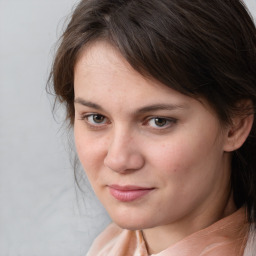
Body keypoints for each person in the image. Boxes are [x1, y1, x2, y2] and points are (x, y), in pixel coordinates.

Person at [49, 0, 256, 255]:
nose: (118, 159)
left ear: (236, 125)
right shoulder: (108, 247)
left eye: (159, 121)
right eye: (96, 118)